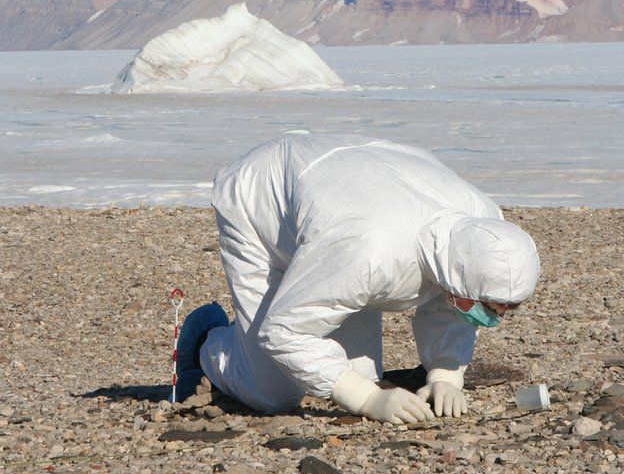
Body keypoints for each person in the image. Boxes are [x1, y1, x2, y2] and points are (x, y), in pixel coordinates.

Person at [174, 134, 540, 424]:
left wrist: (445, 374)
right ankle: (206, 341)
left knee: (361, 370)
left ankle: (304, 302)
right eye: (490, 309)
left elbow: (451, 299)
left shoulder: (482, 227)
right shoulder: (367, 250)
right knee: (273, 393)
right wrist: (366, 398)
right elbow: (284, 332)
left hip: (352, 192)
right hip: (262, 199)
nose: (494, 318)